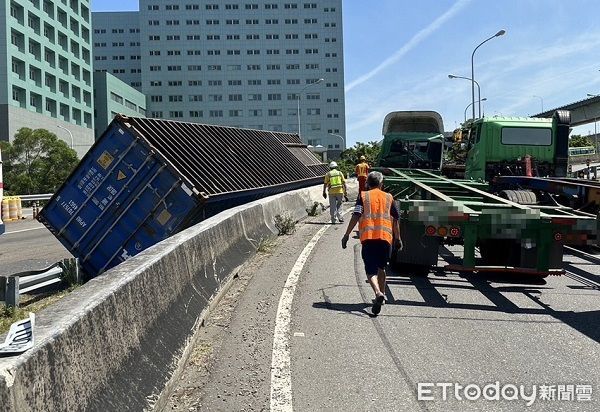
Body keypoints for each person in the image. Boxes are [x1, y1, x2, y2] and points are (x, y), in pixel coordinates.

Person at [341, 171, 402, 315]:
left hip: (369, 238)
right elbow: (396, 219)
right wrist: (398, 239)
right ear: (381, 184)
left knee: (370, 271)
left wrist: (347, 234)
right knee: (382, 268)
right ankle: (383, 294)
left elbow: (356, 215)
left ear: (368, 183)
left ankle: (378, 293)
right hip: (385, 238)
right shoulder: (389, 197)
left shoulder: (363, 196)